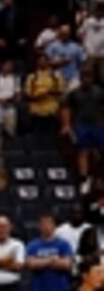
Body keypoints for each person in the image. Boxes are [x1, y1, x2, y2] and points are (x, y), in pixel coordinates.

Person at [59, 65, 104, 193]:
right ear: (81, 78)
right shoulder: (74, 93)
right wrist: (66, 125)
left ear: (93, 78)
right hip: (81, 125)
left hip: (97, 125)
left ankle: (99, 177)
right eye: (84, 77)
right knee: (82, 151)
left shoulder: (99, 92)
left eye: (89, 77)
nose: (87, 80)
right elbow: (66, 108)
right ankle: (84, 178)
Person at [25, 212, 74, 291]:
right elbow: (31, 264)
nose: (46, 226)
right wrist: (52, 260)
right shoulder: (33, 245)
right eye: (43, 224)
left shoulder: (63, 244)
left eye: (49, 223)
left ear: (54, 226)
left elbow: (67, 264)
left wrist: (42, 262)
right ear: (39, 226)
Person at [24, 53, 65, 140]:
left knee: (51, 138)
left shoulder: (56, 76)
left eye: (44, 61)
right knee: (37, 138)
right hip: (36, 110)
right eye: (40, 61)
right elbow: (29, 95)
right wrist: (43, 94)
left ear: (48, 62)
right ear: (37, 63)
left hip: (52, 110)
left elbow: (60, 91)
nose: (42, 63)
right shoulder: (32, 77)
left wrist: (49, 92)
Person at [47, 26, 86, 91]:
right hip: (57, 78)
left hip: (73, 78)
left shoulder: (76, 47)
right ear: (60, 33)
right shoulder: (53, 47)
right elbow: (47, 63)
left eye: (66, 34)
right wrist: (60, 62)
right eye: (63, 33)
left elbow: (81, 63)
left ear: (69, 34)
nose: (64, 35)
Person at [0, 0, 27, 65]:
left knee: (18, 59)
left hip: (17, 40)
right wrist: (0, 38)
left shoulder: (20, 12)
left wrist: (23, 37)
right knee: (5, 59)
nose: (5, 0)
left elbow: (24, 25)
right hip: (5, 40)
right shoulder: (0, 13)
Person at [80, 2, 104, 84]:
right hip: (90, 53)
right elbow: (81, 34)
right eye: (99, 9)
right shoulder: (88, 21)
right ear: (95, 10)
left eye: (102, 9)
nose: (100, 11)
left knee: (102, 77)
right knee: (88, 77)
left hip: (102, 54)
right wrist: (85, 46)